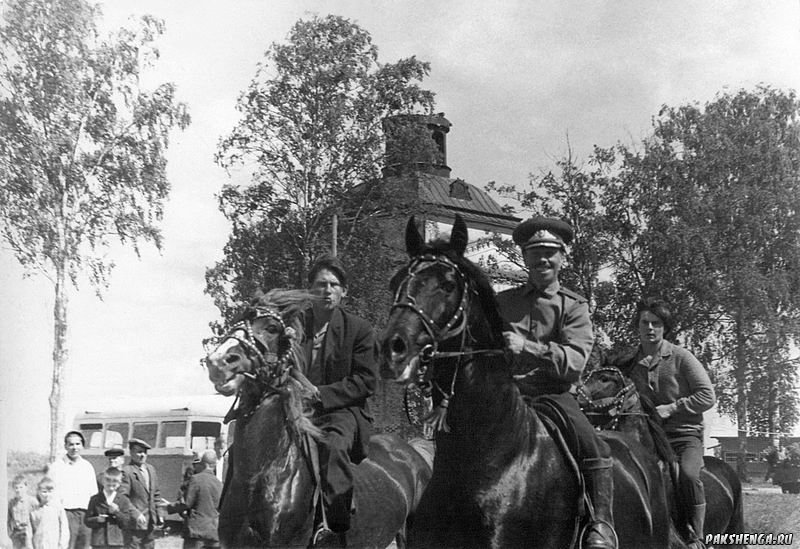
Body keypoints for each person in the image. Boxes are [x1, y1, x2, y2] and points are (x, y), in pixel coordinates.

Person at [496, 216, 617, 549]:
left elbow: (574, 363)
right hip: (506, 397)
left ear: (562, 256)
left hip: (553, 396)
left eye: (550, 252)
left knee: (594, 445)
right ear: (524, 258)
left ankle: (600, 524)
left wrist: (529, 347)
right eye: (535, 253)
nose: (542, 260)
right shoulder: (503, 303)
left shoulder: (574, 306)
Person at [613, 297, 715, 549]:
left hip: (683, 436)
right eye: (644, 322)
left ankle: (695, 535)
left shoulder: (682, 357)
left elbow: (707, 396)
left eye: (655, 323)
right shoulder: (629, 363)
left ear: (664, 327)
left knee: (688, 476)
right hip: (645, 438)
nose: (649, 328)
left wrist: (672, 408)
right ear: (637, 326)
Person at [301, 254, 378, 545]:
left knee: (332, 446)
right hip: (294, 409)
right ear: (310, 289)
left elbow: (366, 381)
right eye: (320, 284)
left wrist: (321, 394)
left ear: (344, 291)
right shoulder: (294, 326)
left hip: (340, 412)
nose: (327, 290)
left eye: (334, 284)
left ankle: (336, 525)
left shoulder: (359, 329)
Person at [47, 431, 97, 549]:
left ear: (82, 446)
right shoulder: (56, 467)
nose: (75, 448)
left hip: (85, 515)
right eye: (71, 444)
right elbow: (49, 492)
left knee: (84, 546)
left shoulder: (87, 466)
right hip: (65, 513)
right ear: (65, 446)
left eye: (77, 444)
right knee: (68, 545)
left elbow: (93, 493)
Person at [165, 450, 222, 549]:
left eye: (197, 464)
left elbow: (186, 504)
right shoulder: (219, 483)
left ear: (203, 464)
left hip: (196, 533)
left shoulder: (195, 479)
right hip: (214, 534)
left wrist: (168, 507)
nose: (195, 467)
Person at [119, 439, 162, 549]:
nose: (142, 455)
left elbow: (156, 494)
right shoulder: (127, 471)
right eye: (138, 452)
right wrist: (136, 514)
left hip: (150, 523)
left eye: (144, 452)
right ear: (131, 453)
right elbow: (123, 497)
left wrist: (159, 514)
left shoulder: (151, 469)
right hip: (134, 525)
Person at [84, 467, 137, 549]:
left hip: (116, 542)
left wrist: (117, 512)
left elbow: (127, 523)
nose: (111, 483)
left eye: (115, 481)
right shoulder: (95, 499)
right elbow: (87, 520)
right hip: (99, 542)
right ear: (103, 481)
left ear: (119, 483)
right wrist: (97, 519)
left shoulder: (123, 500)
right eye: (108, 480)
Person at [27, 477, 69, 549]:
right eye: (44, 492)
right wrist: (30, 546)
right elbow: (29, 531)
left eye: (50, 492)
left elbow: (64, 528)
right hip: (38, 545)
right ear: (38, 492)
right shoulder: (34, 511)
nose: (47, 495)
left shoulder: (58, 509)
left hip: (54, 544)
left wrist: (62, 544)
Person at [8, 474, 37, 549]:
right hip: (16, 532)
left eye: (21, 487)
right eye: (16, 488)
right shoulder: (11, 503)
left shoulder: (32, 501)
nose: (18, 490)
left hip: (28, 532)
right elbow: (9, 519)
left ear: (26, 487)